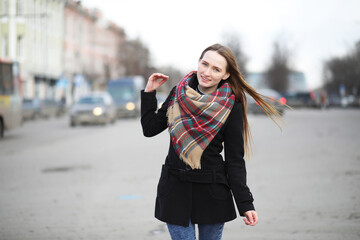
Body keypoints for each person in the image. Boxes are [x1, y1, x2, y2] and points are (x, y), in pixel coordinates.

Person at [140, 43, 282, 240]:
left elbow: (234, 160)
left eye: (216, 69)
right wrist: (149, 92)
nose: (207, 72)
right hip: (175, 190)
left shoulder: (232, 105)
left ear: (225, 75)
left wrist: (245, 203)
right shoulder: (178, 93)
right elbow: (150, 128)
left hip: (212, 192)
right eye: (204, 64)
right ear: (198, 62)